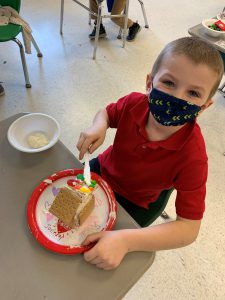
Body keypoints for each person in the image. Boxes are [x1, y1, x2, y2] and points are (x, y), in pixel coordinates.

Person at [76, 36, 224, 270]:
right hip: (102, 170)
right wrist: (99, 125)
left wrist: (126, 241)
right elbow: (106, 112)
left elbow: (189, 228)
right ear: (149, 82)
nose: (177, 97)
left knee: (98, 252)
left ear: (205, 106)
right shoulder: (134, 103)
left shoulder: (193, 158)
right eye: (169, 82)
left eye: (193, 94)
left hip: (137, 202)